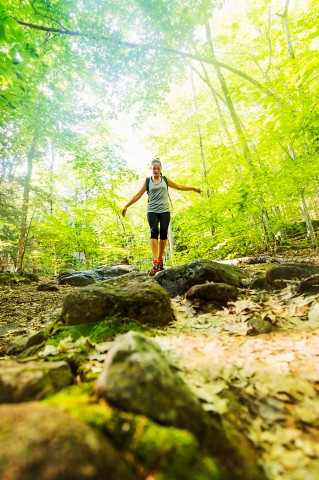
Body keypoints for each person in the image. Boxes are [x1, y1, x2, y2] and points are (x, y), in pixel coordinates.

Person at [122, 158, 202, 274]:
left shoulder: (165, 179)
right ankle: (155, 261)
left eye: (158, 168)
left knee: (163, 231)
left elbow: (179, 186)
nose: (156, 170)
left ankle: (160, 260)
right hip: (152, 211)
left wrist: (193, 188)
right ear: (151, 169)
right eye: (154, 168)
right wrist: (126, 205)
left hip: (165, 210)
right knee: (154, 231)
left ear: (161, 169)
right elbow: (138, 195)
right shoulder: (148, 181)